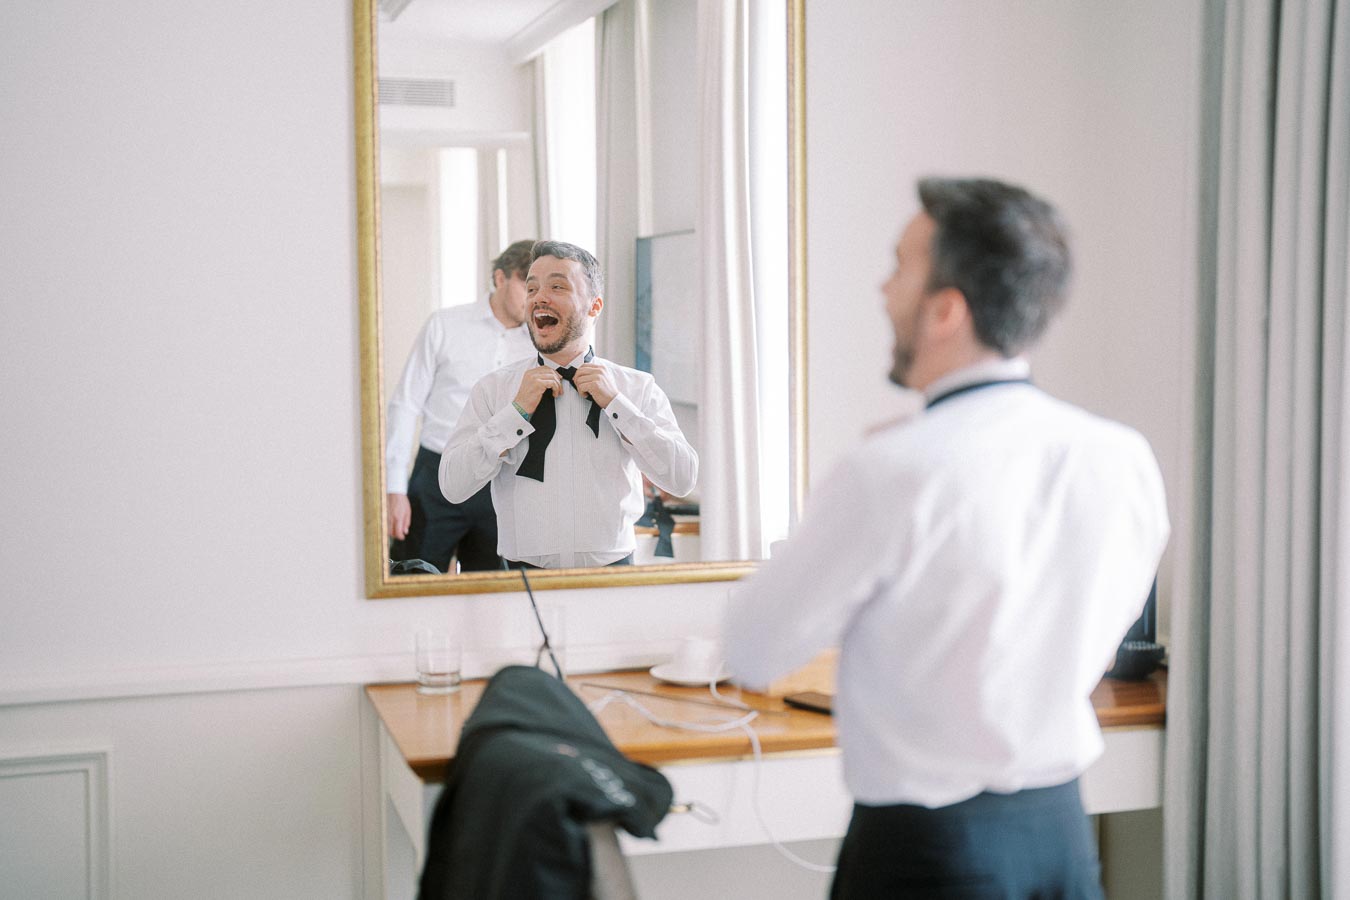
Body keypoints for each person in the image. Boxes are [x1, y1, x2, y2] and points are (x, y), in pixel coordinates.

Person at [723, 177, 1169, 898]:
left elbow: (751, 648)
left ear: (946, 309)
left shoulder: (891, 472)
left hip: (931, 855)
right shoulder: (1121, 455)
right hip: (1062, 841)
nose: (881, 287)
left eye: (900, 265)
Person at [439, 240, 698, 569]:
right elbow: (452, 486)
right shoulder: (494, 390)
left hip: (613, 579)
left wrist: (618, 406)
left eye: (557, 286)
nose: (539, 298)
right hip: (523, 581)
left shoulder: (636, 388)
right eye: (531, 288)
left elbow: (683, 477)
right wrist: (514, 414)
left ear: (594, 306)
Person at [385, 240, 537, 573]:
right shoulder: (445, 325)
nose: (533, 299)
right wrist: (394, 489)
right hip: (435, 477)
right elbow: (405, 403)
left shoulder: (541, 343)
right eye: (526, 286)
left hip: (501, 482)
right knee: (414, 583)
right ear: (500, 278)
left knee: (491, 598)